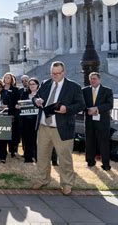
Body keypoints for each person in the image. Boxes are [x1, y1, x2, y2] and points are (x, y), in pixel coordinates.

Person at [33, 61, 85, 196]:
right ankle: (42, 179)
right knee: (42, 156)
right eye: (53, 73)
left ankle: (67, 184)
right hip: (44, 127)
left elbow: (81, 105)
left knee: (64, 157)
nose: (55, 75)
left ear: (64, 72)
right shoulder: (45, 84)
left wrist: (66, 109)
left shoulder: (73, 87)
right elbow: (36, 97)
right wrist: (36, 101)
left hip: (62, 128)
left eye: (58, 73)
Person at [82, 72, 114, 171]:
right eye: (91, 79)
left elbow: (110, 105)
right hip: (89, 121)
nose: (92, 80)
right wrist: (87, 110)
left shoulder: (107, 91)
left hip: (103, 122)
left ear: (99, 79)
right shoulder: (84, 90)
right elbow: (81, 104)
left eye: (94, 78)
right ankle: (90, 162)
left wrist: (97, 109)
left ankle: (106, 165)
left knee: (104, 143)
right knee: (89, 142)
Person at [17, 77, 40, 163]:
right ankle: (28, 157)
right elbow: (20, 105)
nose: (32, 86)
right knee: (27, 139)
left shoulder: (41, 94)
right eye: (30, 84)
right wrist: (18, 106)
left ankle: (37, 157)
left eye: (34, 84)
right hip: (26, 120)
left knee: (37, 139)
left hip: (37, 120)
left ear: (37, 85)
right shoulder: (24, 94)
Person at [2, 72, 20, 158]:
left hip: (11, 114)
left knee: (12, 133)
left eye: (9, 78)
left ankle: (12, 150)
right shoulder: (0, 88)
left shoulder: (15, 89)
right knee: (3, 132)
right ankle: (3, 151)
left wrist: (9, 107)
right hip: (2, 114)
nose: (7, 79)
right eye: (6, 78)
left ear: (12, 79)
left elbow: (17, 103)